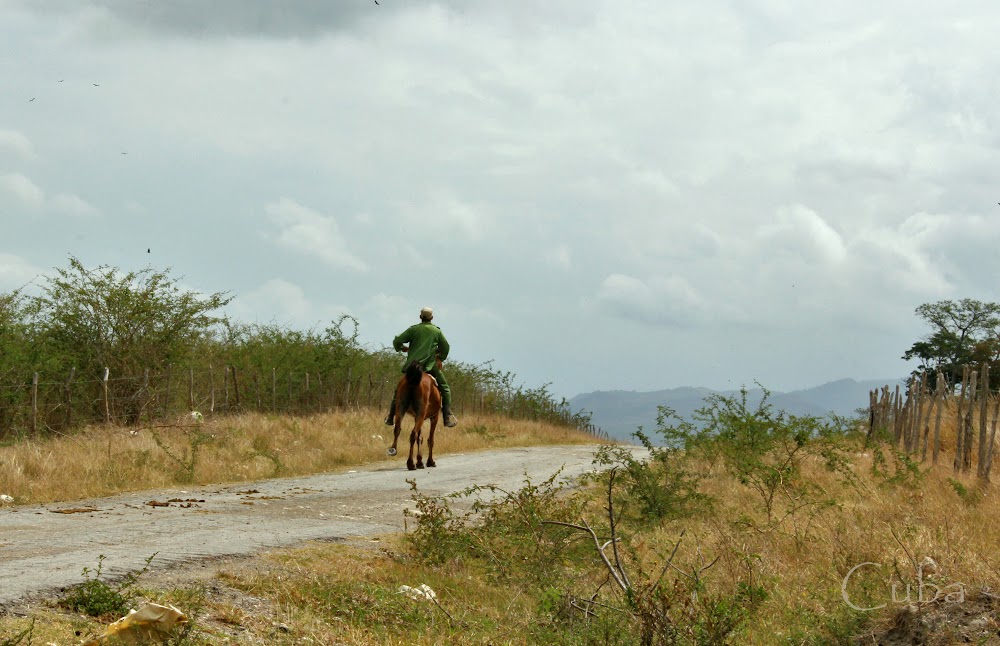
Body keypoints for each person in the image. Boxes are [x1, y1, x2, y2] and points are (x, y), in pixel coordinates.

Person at [384, 307, 458, 428]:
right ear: (432, 318)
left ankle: (391, 416)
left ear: (420, 317)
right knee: (445, 389)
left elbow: (397, 339)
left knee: (398, 390)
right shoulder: (436, 331)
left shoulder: (413, 329)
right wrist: (440, 358)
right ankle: (446, 418)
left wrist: (402, 348)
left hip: (412, 367)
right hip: (429, 366)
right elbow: (446, 347)